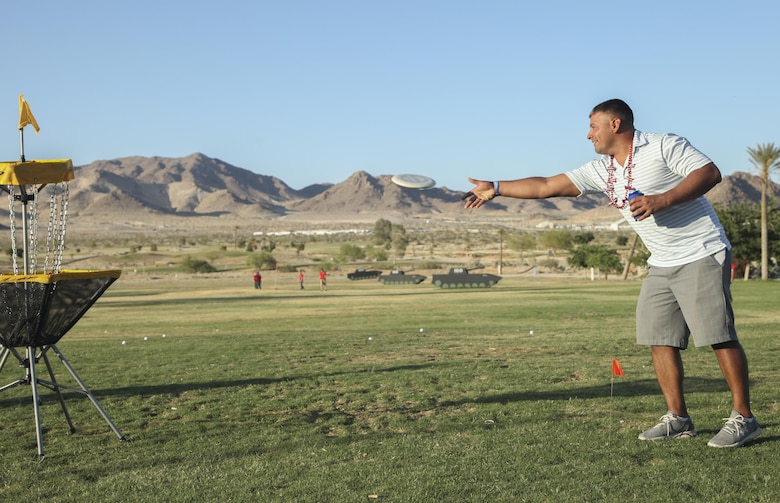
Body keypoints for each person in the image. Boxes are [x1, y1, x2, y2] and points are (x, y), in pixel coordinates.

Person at [463, 98, 760, 448]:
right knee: (659, 337)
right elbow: (545, 186)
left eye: (593, 126)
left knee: (717, 334)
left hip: (701, 250)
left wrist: (661, 200)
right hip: (661, 261)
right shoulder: (602, 171)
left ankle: (744, 418)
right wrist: (496, 187)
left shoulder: (664, 145)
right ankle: (678, 419)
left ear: (615, 125)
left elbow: (709, 173)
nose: (588, 135)